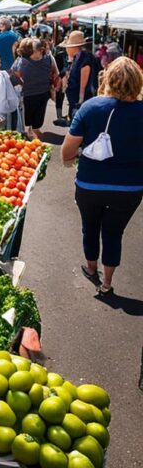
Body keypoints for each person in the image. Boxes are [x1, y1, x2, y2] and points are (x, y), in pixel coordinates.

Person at [60, 57, 143, 297]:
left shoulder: (91, 107)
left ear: (108, 78)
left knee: (90, 227)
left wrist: (69, 160)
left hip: (90, 183)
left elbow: (68, 149)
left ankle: (91, 268)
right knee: (114, 232)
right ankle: (107, 283)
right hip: (130, 187)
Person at [11, 38, 58, 140]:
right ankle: (30, 134)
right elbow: (13, 75)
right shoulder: (21, 61)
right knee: (26, 119)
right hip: (26, 96)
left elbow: (55, 73)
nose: (29, 55)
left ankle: (34, 131)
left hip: (43, 93)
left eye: (32, 52)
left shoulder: (49, 59)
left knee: (38, 120)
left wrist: (54, 87)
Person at [60, 30, 100, 126]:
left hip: (80, 99)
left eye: (68, 47)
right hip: (76, 98)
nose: (66, 49)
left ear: (74, 47)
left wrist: (80, 100)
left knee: (79, 124)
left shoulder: (84, 59)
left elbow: (84, 82)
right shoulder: (78, 57)